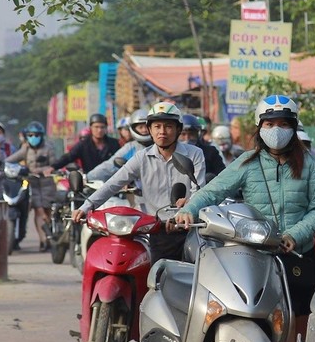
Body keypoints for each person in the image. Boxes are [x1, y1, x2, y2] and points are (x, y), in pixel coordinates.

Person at [174, 95, 315, 342]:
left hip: (297, 254)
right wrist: (189, 209)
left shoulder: (309, 163)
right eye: (270, 124)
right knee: (278, 319)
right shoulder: (246, 162)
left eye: (283, 124)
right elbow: (214, 190)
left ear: (293, 127)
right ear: (260, 128)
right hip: (257, 253)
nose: (276, 130)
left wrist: (293, 236)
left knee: (300, 325)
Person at [72, 101, 205, 262]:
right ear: (150, 130)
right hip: (155, 231)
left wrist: (187, 208)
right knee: (148, 278)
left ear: (178, 129)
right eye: (157, 126)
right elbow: (113, 184)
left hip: (188, 230)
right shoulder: (141, 157)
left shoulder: (195, 154)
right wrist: (86, 207)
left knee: (193, 278)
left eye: (168, 126)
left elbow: (199, 190)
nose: (162, 131)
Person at [6, 121, 57, 252]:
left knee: (47, 211)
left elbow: (54, 165)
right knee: (39, 211)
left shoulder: (48, 148)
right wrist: (21, 169)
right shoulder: (25, 149)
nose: (34, 137)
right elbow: (10, 160)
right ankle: (43, 240)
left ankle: (49, 237)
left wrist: (44, 169)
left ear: (42, 136)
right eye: (31, 135)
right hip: (32, 184)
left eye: (36, 135)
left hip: (47, 184)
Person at [87, 108, 152, 182]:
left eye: (146, 127)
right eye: (140, 127)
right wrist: (88, 177)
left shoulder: (162, 145)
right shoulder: (131, 147)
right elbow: (110, 166)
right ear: (133, 128)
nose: (144, 130)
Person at [50, 113, 120, 174]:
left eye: (102, 127)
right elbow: (69, 156)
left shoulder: (114, 143)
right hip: (90, 181)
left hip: (111, 181)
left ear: (106, 128)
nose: (99, 130)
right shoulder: (83, 144)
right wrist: (53, 167)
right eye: (96, 127)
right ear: (91, 128)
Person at [180, 114, 226, 178]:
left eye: (191, 134)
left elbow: (223, 176)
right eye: (183, 134)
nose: (187, 138)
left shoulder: (210, 152)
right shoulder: (170, 153)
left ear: (198, 135)